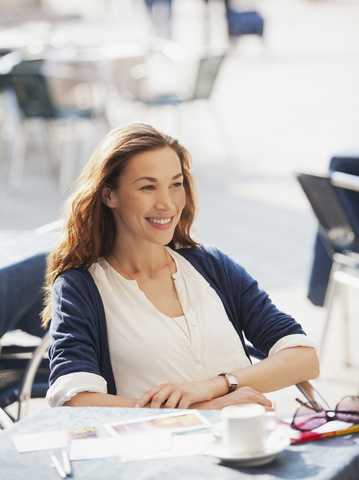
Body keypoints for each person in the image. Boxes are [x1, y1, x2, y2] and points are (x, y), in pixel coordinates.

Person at [42, 123, 319, 410]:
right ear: (108, 195)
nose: (167, 204)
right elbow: (76, 400)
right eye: (148, 187)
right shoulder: (80, 288)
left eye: (176, 184)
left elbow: (303, 357)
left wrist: (214, 387)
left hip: (249, 444)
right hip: (159, 451)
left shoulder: (212, 266)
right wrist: (205, 410)